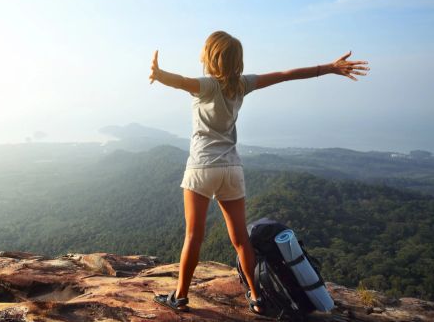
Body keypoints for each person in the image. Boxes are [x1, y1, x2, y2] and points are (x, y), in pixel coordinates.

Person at [149, 30, 369, 315]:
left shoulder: (206, 85)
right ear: (236, 61)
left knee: (193, 236)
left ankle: (179, 296)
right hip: (231, 169)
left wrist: (159, 73)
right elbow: (285, 74)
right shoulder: (242, 85)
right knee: (241, 239)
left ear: (211, 57)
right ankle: (256, 296)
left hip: (202, 166)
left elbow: (180, 82)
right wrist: (328, 68)